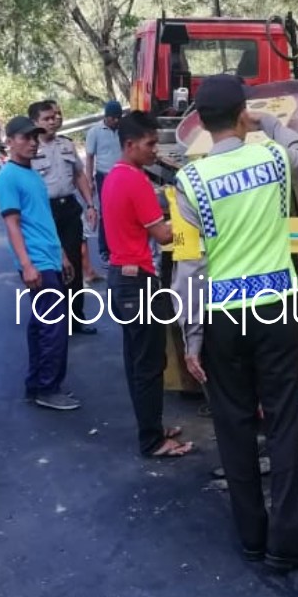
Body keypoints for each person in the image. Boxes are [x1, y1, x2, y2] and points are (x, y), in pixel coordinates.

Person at [174, 74, 298, 572]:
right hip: (275, 309)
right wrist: (269, 123)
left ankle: (251, 535)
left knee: (234, 426)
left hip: (222, 318)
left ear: (199, 121)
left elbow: (190, 268)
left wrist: (191, 337)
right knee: (283, 423)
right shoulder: (273, 160)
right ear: (242, 113)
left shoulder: (189, 182)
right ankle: (288, 540)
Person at [103, 111, 193, 458]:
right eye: (150, 143)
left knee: (137, 361)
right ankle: (152, 441)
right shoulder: (135, 181)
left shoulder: (114, 177)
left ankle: (152, 427)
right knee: (149, 364)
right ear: (130, 144)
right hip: (137, 281)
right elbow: (164, 235)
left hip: (121, 279)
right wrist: (191, 216)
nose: (155, 150)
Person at [0, 116, 79, 411]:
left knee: (41, 324)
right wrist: (26, 264)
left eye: (34, 137)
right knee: (55, 326)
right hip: (36, 262)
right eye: (24, 138)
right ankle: (48, 387)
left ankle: (36, 383)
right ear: (10, 142)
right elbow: (13, 224)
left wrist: (63, 255)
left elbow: (44, 220)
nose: (32, 143)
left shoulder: (30, 173)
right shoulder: (7, 177)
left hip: (49, 256)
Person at [28, 99, 99, 333]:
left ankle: (75, 318)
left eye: (56, 116)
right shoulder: (29, 150)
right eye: (47, 118)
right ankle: (53, 320)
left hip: (68, 209)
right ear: (35, 123)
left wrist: (90, 205)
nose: (53, 121)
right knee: (50, 267)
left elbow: (79, 176)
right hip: (44, 213)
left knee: (74, 263)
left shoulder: (66, 145)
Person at [84, 99, 124, 271]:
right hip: (104, 176)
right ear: (106, 117)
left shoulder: (123, 130)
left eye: (118, 118)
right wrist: (89, 180)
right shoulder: (95, 132)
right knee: (106, 214)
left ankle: (120, 248)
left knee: (123, 212)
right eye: (113, 118)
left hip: (121, 176)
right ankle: (104, 251)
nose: (116, 121)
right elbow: (89, 157)